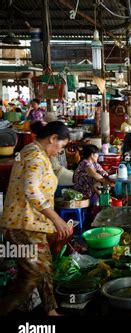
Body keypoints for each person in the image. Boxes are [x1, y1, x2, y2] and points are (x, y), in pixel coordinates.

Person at [0, 121, 70, 316]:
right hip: (20, 224)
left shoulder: (32, 150)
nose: (59, 152)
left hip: (34, 224)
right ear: (53, 138)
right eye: (61, 146)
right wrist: (56, 219)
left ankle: (51, 312)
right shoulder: (35, 156)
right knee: (32, 275)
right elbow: (32, 191)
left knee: (44, 268)